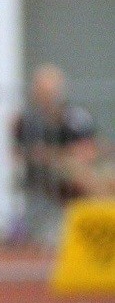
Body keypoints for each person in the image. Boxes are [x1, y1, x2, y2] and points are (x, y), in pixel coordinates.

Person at [13, 63, 99, 245]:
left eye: (51, 92)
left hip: (79, 173)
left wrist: (53, 154)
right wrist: (60, 157)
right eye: (42, 92)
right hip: (43, 176)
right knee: (76, 171)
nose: (47, 98)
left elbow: (88, 151)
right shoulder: (26, 121)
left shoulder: (76, 117)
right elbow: (23, 154)